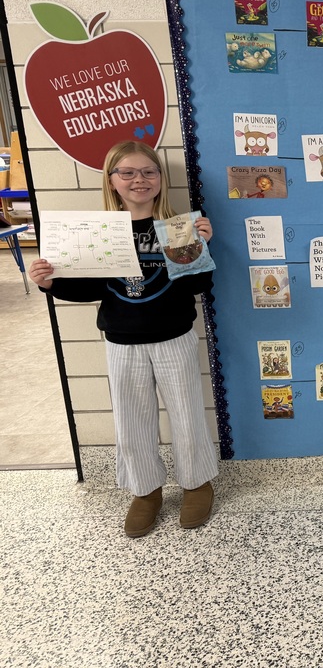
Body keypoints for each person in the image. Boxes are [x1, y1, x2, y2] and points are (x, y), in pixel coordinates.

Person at [28, 141, 219, 537]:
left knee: (186, 413)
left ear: (161, 180)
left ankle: (197, 483)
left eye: (149, 172)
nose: (139, 180)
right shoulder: (99, 231)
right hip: (121, 340)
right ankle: (145, 490)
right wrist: (49, 284)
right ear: (111, 181)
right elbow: (92, 289)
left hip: (174, 337)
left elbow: (198, 285)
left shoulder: (177, 226)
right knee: (132, 421)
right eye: (128, 173)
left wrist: (203, 247)